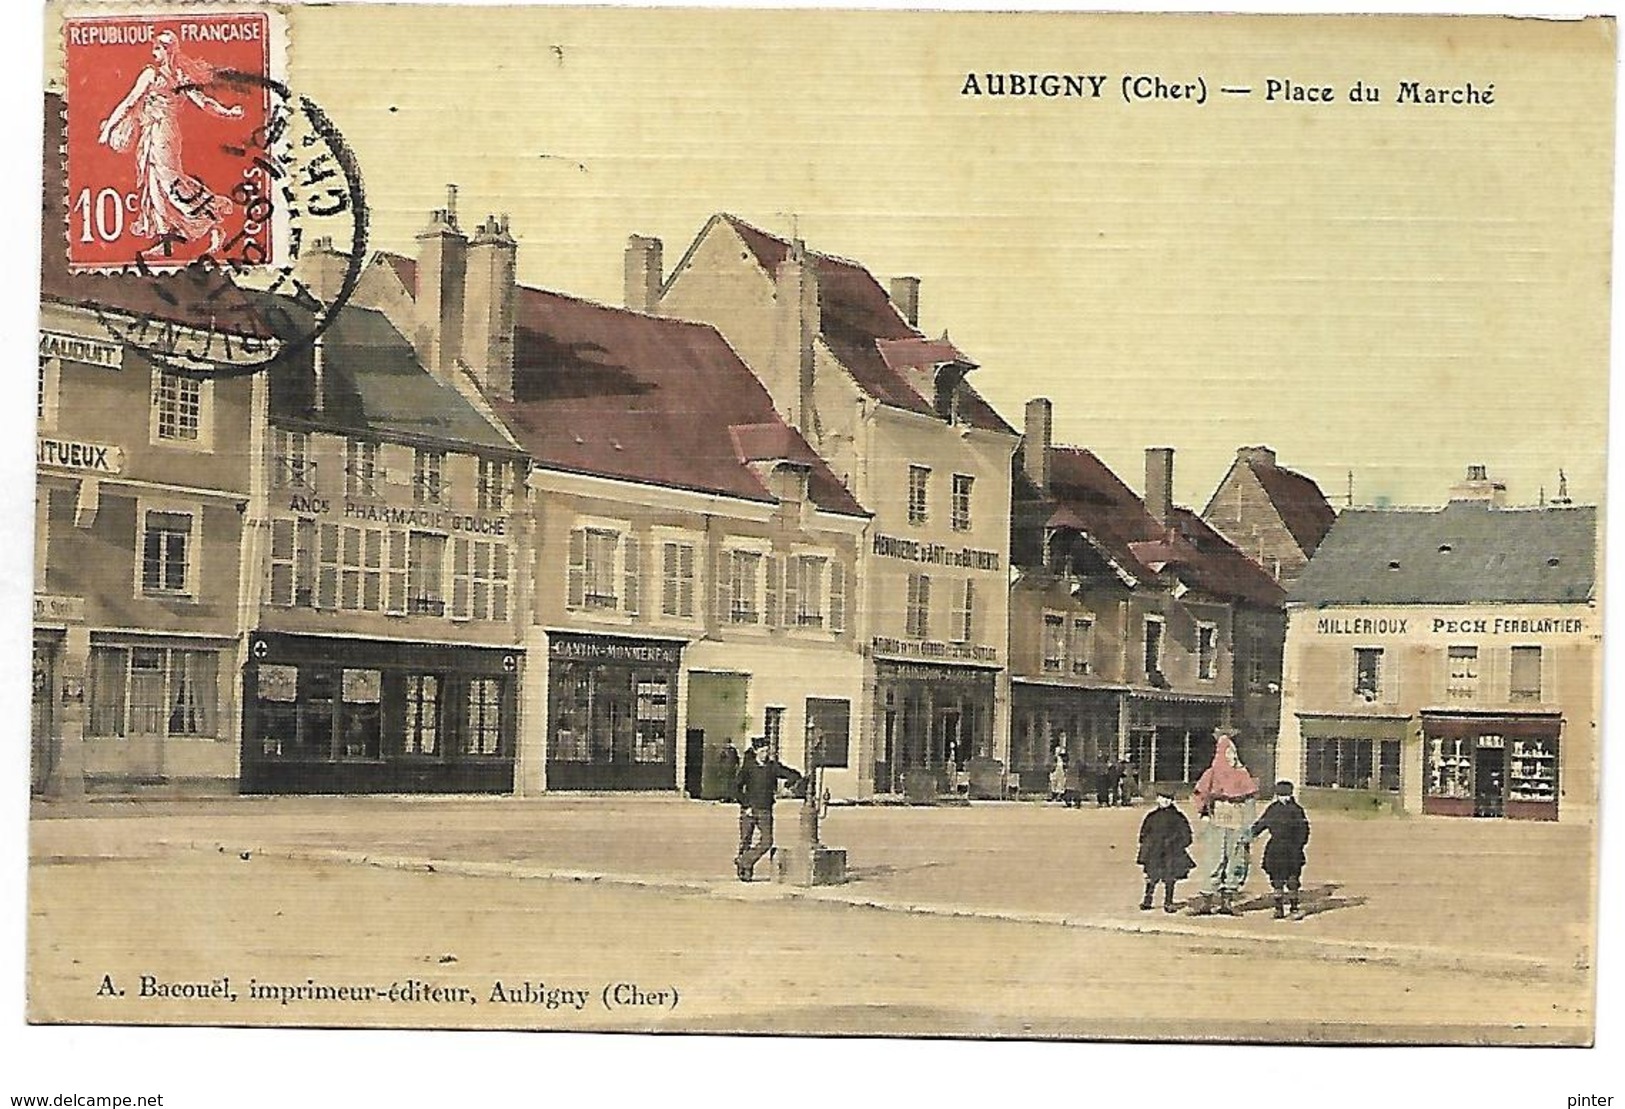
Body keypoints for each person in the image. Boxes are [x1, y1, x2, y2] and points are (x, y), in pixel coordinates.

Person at [97, 30, 244, 254]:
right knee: (154, 183)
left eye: (157, 48)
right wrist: (228, 112)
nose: (153, 53)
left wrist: (108, 129)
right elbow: (204, 102)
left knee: (169, 182)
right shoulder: (178, 75)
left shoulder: (156, 74)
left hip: (162, 133)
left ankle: (212, 224)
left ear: (166, 51)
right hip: (154, 132)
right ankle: (166, 240)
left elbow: (129, 102)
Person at [1188, 731, 1260, 916]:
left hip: (1237, 822)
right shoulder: (1211, 773)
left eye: (1232, 752)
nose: (1230, 756)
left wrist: (1249, 826)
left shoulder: (1242, 774)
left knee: (1236, 860)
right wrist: (1203, 812)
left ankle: (1228, 901)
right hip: (1217, 822)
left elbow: (1250, 800)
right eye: (1226, 752)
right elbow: (1200, 793)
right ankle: (1207, 901)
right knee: (1214, 859)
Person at [733, 737, 803, 882]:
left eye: (767, 751)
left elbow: (794, 774)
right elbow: (736, 788)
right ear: (756, 751)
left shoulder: (772, 767)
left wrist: (788, 785)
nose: (765, 754)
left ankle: (744, 860)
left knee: (767, 841)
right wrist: (745, 805)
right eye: (763, 751)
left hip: (765, 809)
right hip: (749, 810)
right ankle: (744, 871)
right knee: (746, 840)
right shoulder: (748, 768)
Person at [1251, 780, 1312, 919]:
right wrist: (1300, 845)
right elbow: (1304, 830)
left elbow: (1261, 824)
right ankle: (1293, 908)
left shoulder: (1273, 808)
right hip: (1292, 849)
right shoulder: (1297, 810)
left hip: (1275, 848)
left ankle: (1279, 909)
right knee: (1292, 879)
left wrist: (1250, 835)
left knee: (1277, 880)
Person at [1136, 789, 1195, 912]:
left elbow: (1186, 835)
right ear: (1157, 799)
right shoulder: (1151, 816)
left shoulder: (1178, 817)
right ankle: (1147, 900)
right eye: (1162, 798)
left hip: (1171, 852)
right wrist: (1147, 846)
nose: (1165, 801)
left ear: (1172, 801)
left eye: (1168, 799)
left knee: (1170, 878)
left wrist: (1176, 844)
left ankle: (1168, 902)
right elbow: (1143, 834)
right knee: (1151, 877)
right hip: (1154, 852)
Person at [716, 738, 741, 803]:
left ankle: (732, 797)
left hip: (732, 770)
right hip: (724, 770)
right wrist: (720, 770)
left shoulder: (733, 750)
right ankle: (725, 797)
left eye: (728, 743)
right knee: (724, 784)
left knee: (732, 784)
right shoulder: (723, 751)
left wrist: (737, 767)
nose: (727, 745)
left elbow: (737, 759)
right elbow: (720, 761)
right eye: (726, 743)